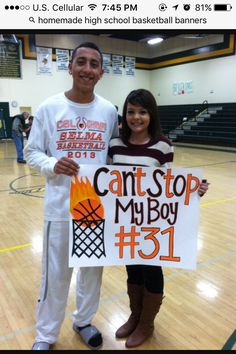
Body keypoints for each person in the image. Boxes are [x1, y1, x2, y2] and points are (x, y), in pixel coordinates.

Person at [24, 42, 118, 350]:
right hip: (60, 209)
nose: (87, 69)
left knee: (91, 274)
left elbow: (117, 160)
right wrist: (53, 163)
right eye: (82, 62)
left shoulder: (108, 111)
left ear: (101, 73)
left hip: (95, 210)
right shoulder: (49, 108)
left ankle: (83, 321)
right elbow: (32, 152)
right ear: (70, 67)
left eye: (94, 64)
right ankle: (46, 334)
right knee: (55, 276)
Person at [108, 89, 209, 348]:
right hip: (126, 223)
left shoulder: (163, 145)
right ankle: (135, 315)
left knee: (152, 270)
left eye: (142, 112)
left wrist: (192, 191)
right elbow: (106, 184)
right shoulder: (115, 144)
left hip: (152, 224)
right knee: (132, 270)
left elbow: (167, 186)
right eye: (131, 111)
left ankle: (146, 323)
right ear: (125, 114)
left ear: (151, 114)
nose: (136, 117)